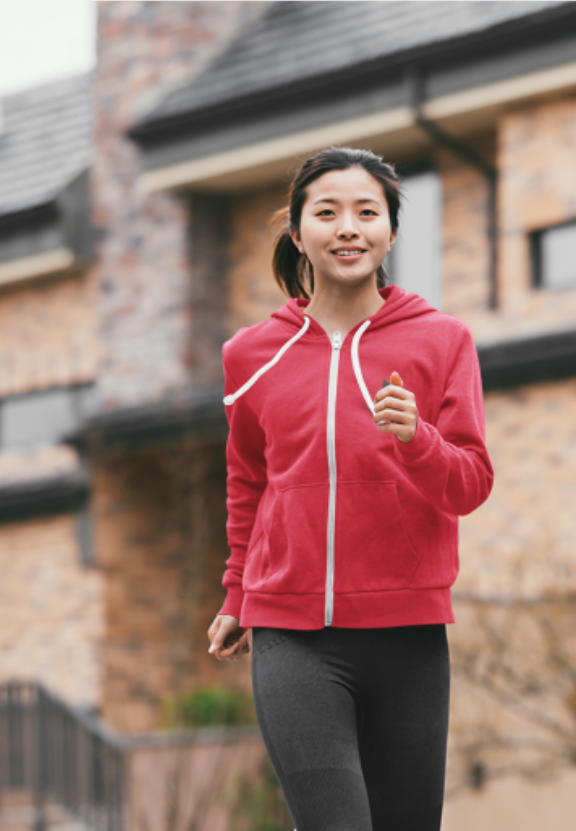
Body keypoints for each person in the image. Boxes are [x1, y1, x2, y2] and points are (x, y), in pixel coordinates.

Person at [207, 146, 494, 831]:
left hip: (409, 634)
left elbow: (471, 482)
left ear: (391, 232)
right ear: (298, 230)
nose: (348, 228)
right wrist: (237, 591)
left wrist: (416, 438)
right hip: (293, 634)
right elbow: (249, 478)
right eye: (327, 212)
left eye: (367, 212)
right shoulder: (251, 353)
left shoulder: (442, 341)